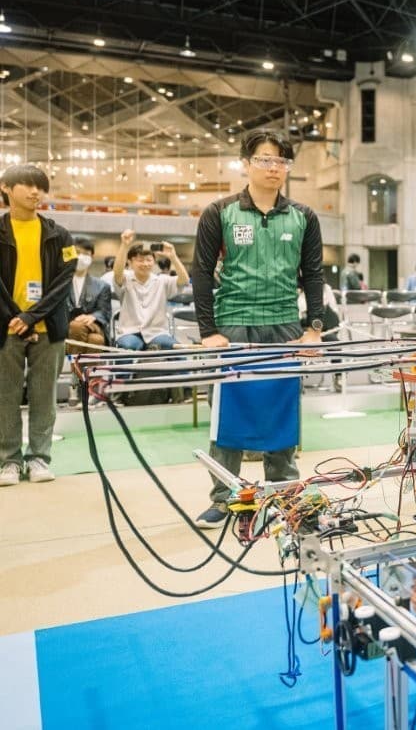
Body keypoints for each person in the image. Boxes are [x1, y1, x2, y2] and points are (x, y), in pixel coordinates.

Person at [190, 129, 326, 528]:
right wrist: (208, 331)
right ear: (246, 164)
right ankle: (225, 497)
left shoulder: (304, 217)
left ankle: (284, 492)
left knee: (281, 413)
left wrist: (314, 328)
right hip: (233, 325)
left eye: (281, 161)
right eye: (265, 159)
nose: (274, 167)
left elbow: (313, 274)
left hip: (284, 326)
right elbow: (201, 273)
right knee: (227, 417)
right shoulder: (219, 212)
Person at [0, 164, 75, 485]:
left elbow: (64, 282)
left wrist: (31, 317)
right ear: (5, 187)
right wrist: (16, 317)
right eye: (27, 185)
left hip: (49, 329)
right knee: (5, 397)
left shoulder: (59, 234)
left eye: (40, 186)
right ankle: (9, 461)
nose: (35, 192)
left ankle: (39, 458)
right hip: (6, 329)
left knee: (45, 397)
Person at [113, 232, 187, 351]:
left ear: (154, 262)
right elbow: (117, 273)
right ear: (130, 263)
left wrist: (173, 256)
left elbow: (184, 280)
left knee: (177, 350)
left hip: (157, 333)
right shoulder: (126, 279)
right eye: (140, 260)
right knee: (127, 346)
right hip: (130, 332)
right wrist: (124, 246)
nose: (145, 264)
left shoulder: (162, 280)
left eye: (149, 260)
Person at [67, 236, 112, 349]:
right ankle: (83, 363)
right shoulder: (60, 283)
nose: (81, 257)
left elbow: (104, 312)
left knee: (77, 326)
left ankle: (75, 361)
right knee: (95, 340)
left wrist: (92, 316)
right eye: (77, 252)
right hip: (66, 326)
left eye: (85, 254)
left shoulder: (102, 286)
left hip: (94, 325)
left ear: (92, 257)